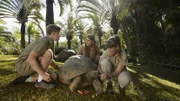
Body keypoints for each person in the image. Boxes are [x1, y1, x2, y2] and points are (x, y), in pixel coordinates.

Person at [13, 24, 61, 89]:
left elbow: (49, 58)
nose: (59, 36)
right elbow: (31, 58)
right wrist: (43, 74)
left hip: (30, 65)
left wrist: (57, 67)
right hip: (22, 66)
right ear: (53, 33)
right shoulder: (44, 41)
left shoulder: (51, 42)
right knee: (49, 53)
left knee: (54, 77)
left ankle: (28, 78)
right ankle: (40, 82)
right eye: (58, 33)